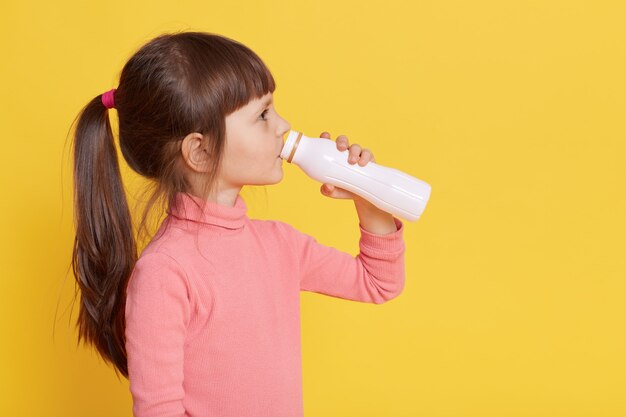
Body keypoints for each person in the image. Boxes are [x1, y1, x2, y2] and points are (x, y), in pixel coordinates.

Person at [69, 31, 405, 417]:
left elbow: (378, 283)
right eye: (262, 115)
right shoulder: (165, 273)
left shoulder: (279, 244)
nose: (283, 125)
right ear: (200, 150)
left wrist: (368, 195)